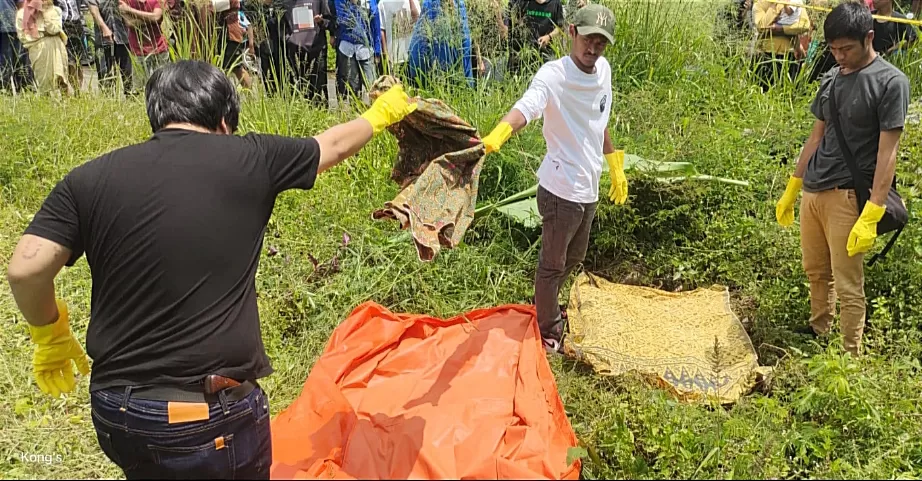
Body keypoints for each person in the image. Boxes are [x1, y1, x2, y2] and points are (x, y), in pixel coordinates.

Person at [6, 59, 416, 479]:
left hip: (117, 414)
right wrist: (380, 113)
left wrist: (49, 333)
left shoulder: (88, 178)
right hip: (203, 421)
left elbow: (25, 268)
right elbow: (332, 146)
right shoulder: (251, 157)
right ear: (224, 120)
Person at [479, 4, 627, 352]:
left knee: (574, 257)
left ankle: (547, 304)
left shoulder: (603, 70)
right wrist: (499, 133)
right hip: (560, 190)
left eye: (600, 43)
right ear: (572, 32)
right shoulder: (553, 75)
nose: (592, 49)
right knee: (552, 265)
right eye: (588, 40)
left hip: (588, 186)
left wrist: (615, 164)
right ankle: (549, 331)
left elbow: (600, 119)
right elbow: (528, 106)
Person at [775, 2, 910, 356]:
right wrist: (794, 185)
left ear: (868, 37)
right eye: (833, 49)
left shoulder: (890, 82)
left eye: (846, 49)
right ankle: (819, 330)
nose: (839, 57)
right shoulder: (832, 78)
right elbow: (815, 136)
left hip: (848, 196)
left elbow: (888, 153)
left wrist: (874, 211)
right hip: (814, 191)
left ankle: (851, 355)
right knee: (816, 271)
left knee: (848, 283)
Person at [406, 0, 474, 88]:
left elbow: (417, 52)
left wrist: (420, 79)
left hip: (436, 81)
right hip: (460, 82)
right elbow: (466, 47)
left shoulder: (431, 4)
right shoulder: (459, 4)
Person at [751, 0, 811, 91]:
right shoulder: (760, 3)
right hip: (765, 56)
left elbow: (804, 25)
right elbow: (762, 27)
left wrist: (782, 29)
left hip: (788, 57)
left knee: (786, 94)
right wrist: (776, 5)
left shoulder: (795, 1)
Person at [16, 0, 70, 95]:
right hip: (38, 50)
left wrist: (45, 12)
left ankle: (64, 106)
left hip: (57, 48)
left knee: (62, 80)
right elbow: (25, 37)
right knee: (44, 84)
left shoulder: (55, 10)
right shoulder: (22, 14)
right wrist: (43, 34)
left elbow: (54, 29)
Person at [286, 0, 334, 104]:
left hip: (316, 49)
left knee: (318, 88)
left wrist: (321, 21)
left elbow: (329, 22)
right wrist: (288, 38)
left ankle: (320, 113)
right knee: (299, 88)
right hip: (295, 51)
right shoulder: (286, 2)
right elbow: (281, 23)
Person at [332, 0, 382, 99]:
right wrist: (353, 4)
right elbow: (344, 20)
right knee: (352, 87)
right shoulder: (340, 1)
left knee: (372, 85)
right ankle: (355, 110)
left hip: (366, 49)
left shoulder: (370, 2)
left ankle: (374, 111)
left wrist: (377, 50)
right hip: (347, 48)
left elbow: (376, 25)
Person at [505, 0, 565, 77]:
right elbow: (513, 22)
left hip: (546, 53)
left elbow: (560, 27)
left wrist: (549, 37)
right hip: (525, 53)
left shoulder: (555, 3)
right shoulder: (524, 2)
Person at [119, 0, 170, 89]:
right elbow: (130, 23)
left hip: (159, 48)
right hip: (138, 51)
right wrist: (150, 18)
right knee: (140, 88)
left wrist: (129, 10)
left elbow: (156, 17)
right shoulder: (125, 1)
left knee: (163, 86)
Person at [87, 0, 132, 94]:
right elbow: (94, 12)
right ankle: (108, 99)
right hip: (103, 40)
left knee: (127, 73)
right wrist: (104, 28)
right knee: (104, 74)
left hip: (123, 38)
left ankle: (130, 98)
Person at [377, 0, 418, 74]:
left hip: (411, 56)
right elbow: (382, 30)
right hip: (394, 58)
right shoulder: (383, 3)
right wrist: (386, 54)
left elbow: (417, 19)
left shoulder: (414, 1)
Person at [57, 0, 86, 91]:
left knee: (78, 60)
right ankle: (66, 89)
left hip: (77, 25)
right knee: (67, 61)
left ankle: (78, 90)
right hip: (63, 26)